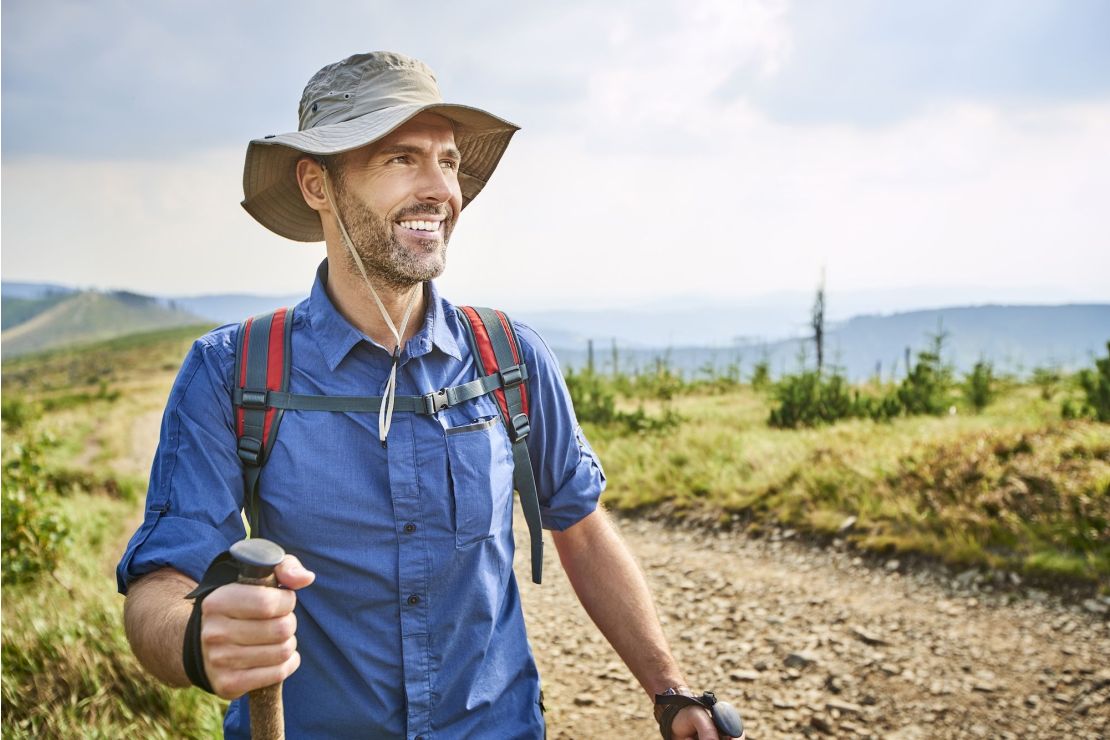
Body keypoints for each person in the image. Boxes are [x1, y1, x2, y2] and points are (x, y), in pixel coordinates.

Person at [117, 51, 742, 739]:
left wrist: (669, 691)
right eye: (400, 159)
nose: (440, 188)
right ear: (315, 184)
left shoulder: (511, 357)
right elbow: (159, 584)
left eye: (447, 160)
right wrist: (197, 636)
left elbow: (583, 530)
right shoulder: (231, 372)